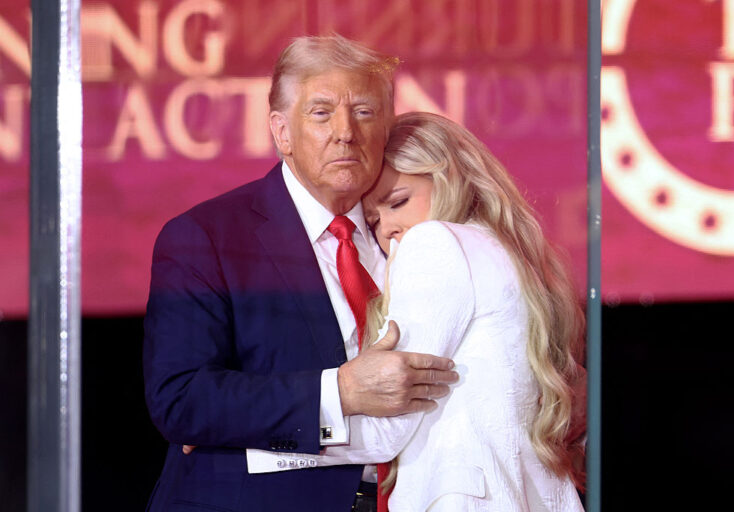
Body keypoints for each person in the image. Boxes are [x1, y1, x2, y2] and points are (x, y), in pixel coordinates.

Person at [142, 37, 459, 511]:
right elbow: (182, 398)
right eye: (321, 112)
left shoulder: (414, 228)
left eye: (365, 112)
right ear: (281, 131)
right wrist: (340, 393)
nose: (346, 132)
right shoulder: (207, 237)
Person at [259, 112, 586, 511]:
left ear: (450, 177)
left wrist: (250, 441)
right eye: (374, 219)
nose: (389, 229)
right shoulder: (510, 256)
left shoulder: (435, 242)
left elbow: (387, 426)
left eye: (398, 202)